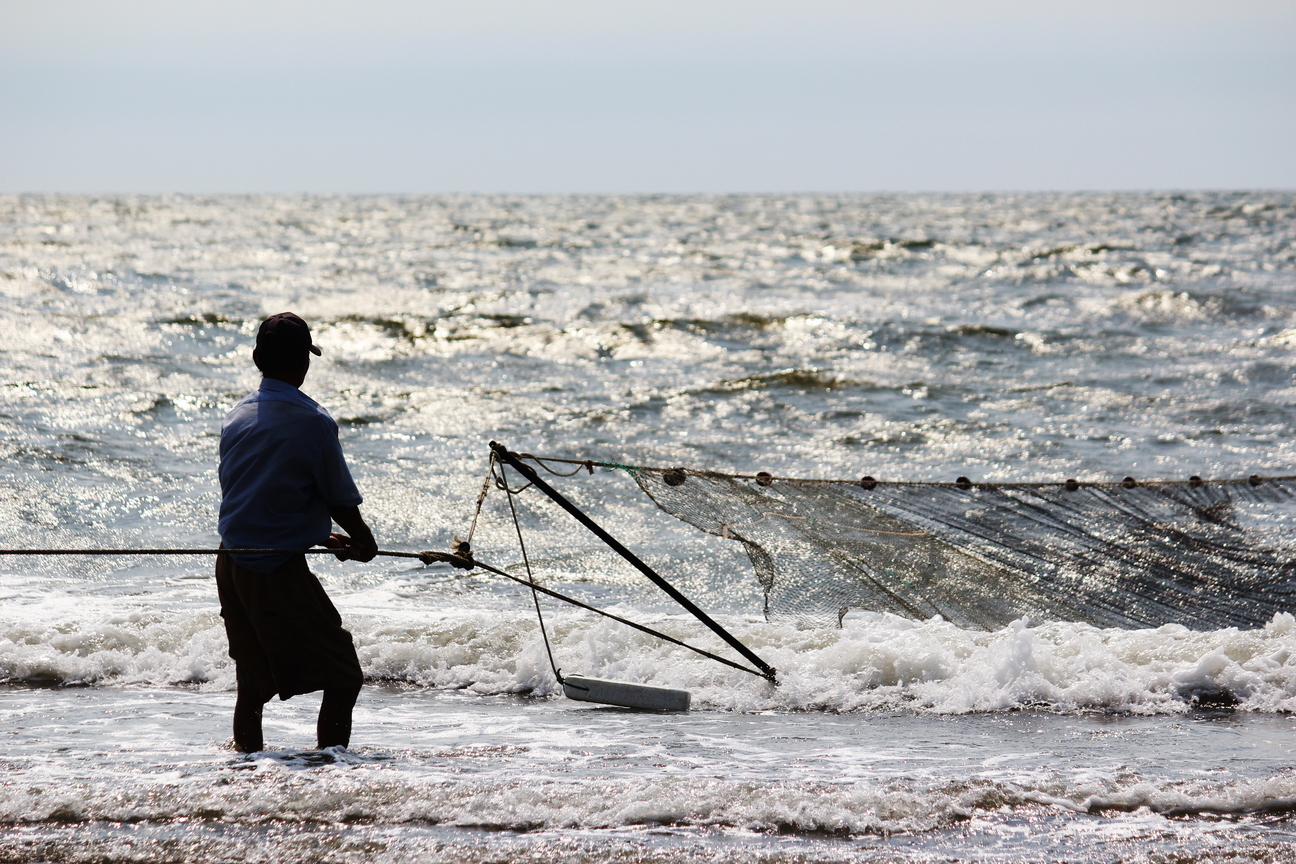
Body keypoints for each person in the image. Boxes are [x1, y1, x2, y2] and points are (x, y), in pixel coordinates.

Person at [215, 312, 377, 753]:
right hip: (271, 567)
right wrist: (364, 542)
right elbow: (339, 499)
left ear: (256, 358)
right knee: (344, 676)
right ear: (304, 362)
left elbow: (257, 493)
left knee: (253, 683)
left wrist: (316, 533)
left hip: (231, 561)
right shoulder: (313, 421)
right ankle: (328, 775)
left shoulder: (238, 415)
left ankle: (246, 773)